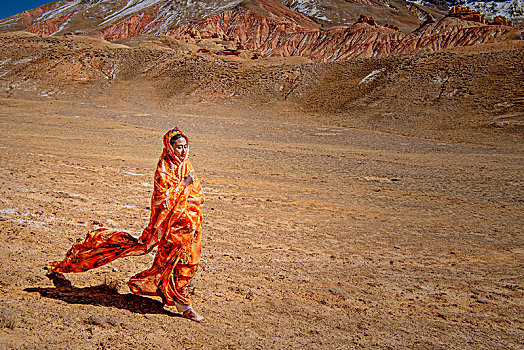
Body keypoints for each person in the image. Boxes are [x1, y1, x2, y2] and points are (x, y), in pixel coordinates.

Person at [46, 127, 207, 323]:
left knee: (186, 265)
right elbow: (160, 201)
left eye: (185, 147)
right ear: (169, 147)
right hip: (170, 231)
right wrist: (182, 186)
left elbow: (198, 196)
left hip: (190, 229)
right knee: (178, 267)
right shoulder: (163, 170)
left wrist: (190, 201)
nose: (183, 151)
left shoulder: (186, 167)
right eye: (178, 147)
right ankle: (186, 308)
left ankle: (171, 297)